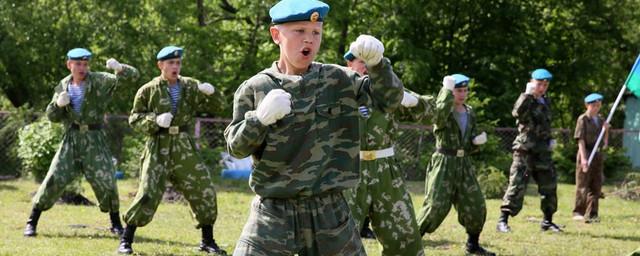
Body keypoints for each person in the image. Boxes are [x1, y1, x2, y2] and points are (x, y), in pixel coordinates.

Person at [224, 0, 404, 254]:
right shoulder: (257, 87)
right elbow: (236, 147)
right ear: (276, 35)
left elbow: (390, 100)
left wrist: (378, 65)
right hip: (274, 211)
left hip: (329, 212)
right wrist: (259, 119)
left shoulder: (340, 79)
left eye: (316, 33)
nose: (309, 40)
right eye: (299, 31)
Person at [117, 46, 226, 255]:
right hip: (158, 145)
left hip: (183, 146)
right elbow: (134, 119)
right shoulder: (148, 89)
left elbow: (219, 106)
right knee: (147, 192)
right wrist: (154, 120)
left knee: (203, 189)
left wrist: (212, 93)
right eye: (171, 63)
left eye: (178, 63)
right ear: (161, 65)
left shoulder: (191, 86)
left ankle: (208, 241)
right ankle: (126, 240)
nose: (175, 67)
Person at [24, 48, 138, 237]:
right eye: (78, 64)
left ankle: (116, 223)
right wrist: (57, 105)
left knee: (107, 181)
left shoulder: (100, 80)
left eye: (85, 64)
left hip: (95, 138)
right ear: (69, 65)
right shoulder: (62, 85)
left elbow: (132, 78)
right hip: (71, 139)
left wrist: (120, 69)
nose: (82, 68)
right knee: (54, 177)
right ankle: (32, 221)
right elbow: (52, 116)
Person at [343, 50, 427, 255]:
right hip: (349, 170)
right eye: (361, 62)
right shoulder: (339, 90)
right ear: (349, 65)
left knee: (403, 235)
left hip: (386, 171)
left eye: (371, 63)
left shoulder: (389, 91)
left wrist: (414, 102)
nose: (366, 67)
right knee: (339, 237)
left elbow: (429, 112)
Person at [415, 74, 495, 256]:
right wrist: (445, 91)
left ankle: (472, 245)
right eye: (458, 90)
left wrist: (475, 142)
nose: (462, 94)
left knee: (475, 204)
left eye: (465, 90)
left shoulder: (470, 111)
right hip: (444, 163)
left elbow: (469, 138)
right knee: (435, 206)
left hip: (463, 163)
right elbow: (438, 116)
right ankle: (411, 242)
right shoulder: (444, 110)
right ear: (451, 92)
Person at [497, 68, 563, 233]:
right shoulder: (526, 99)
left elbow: (545, 123)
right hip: (525, 150)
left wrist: (550, 139)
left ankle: (547, 221)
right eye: (539, 84)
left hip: (542, 151)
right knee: (517, 184)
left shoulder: (546, 101)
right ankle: (502, 221)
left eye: (545, 84)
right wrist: (527, 95)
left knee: (549, 186)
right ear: (532, 82)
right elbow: (517, 113)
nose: (542, 88)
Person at [573, 93, 609, 223]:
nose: (596, 108)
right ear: (587, 105)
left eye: (598, 105)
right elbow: (580, 140)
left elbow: (604, 143)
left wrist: (606, 131)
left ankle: (593, 213)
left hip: (597, 154)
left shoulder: (600, 120)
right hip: (586, 152)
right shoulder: (582, 119)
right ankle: (578, 211)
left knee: (596, 185)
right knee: (583, 184)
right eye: (593, 105)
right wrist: (583, 159)